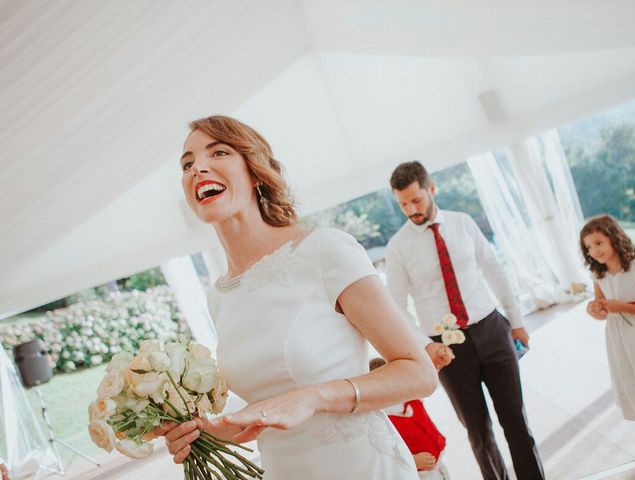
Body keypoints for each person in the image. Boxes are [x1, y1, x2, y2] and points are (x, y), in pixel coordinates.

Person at [158, 116, 438, 479]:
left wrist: (314, 396)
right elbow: (268, 410)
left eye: (219, 152)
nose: (198, 168)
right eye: (187, 163)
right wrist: (205, 433)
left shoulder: (324, 250)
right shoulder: (218, 296)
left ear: (255, 171)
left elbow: (419, 374)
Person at [385, 161, 545, 480]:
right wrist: (424, 347)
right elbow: (396, 307)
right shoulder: (398, 247)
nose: (410, 209)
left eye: (416, 200)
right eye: (403, 204)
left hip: (491, 329)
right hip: (446, 349)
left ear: (431, 189)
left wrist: (516, 322)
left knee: (516, 423)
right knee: (479, 434)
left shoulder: (462, 222)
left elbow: (495, 270)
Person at [580, 215, 635, 421]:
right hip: (618, 335)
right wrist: (595, 310)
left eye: (598, 243)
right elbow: (604, 309)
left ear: (614, 238)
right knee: (631, 373)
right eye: (589, 247)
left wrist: (618, 306)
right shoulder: (599, 276)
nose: (594, 251)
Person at [370, 357, 451, 480]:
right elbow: (386, 454)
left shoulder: (411, 395)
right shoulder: (381, 417)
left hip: (438, 464)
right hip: (417, 474)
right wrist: (413, 460)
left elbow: (426, 377)